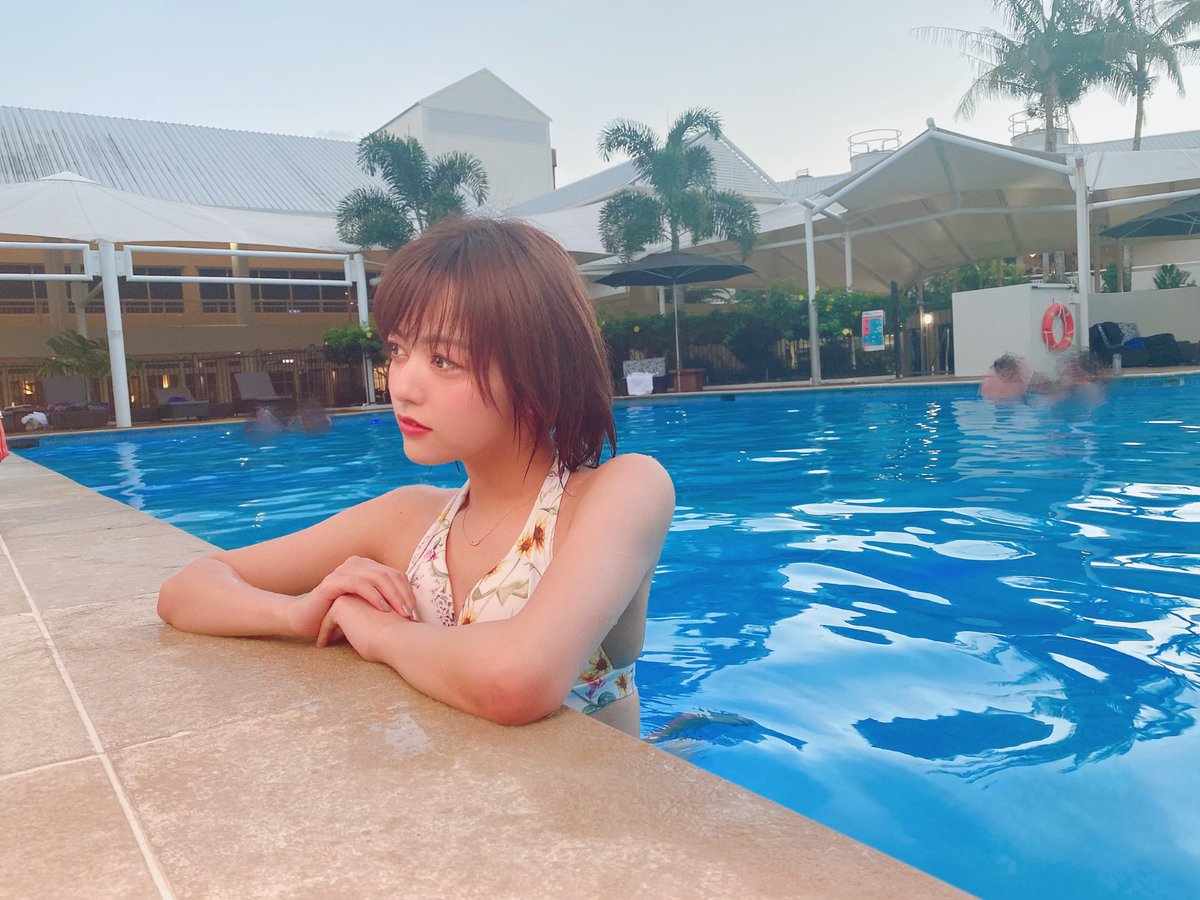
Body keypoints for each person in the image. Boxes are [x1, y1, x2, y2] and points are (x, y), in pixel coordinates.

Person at [158, 218, 674, 736]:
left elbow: (517, 681)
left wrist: (378, 632)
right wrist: (299, 614)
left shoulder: (623, 491)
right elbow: (187, 589)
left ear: (537, 370)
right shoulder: (408, 518)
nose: (402, 385)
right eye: (398, 350)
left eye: (444, 360)